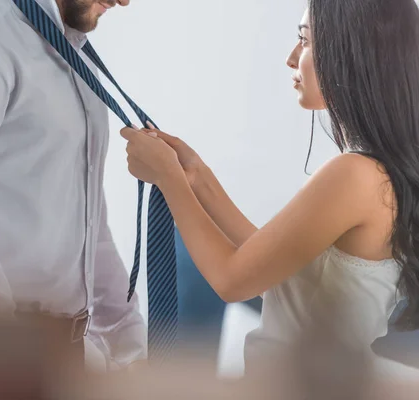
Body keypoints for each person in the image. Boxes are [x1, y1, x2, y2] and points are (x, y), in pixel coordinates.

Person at [120, 0, 419, 374]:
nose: (291, 58)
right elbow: (276, 274)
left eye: (305, 41)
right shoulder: (376, 172)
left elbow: (233, 281)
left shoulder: (355, 174)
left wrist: (168, 177)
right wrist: (197, 177)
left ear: (350, 50)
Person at [0, 0, 146, 381]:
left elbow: (89, 225)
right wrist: (11, 359)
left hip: (68, 358)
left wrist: (129, 347)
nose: (125, 1)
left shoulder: (75, 55)